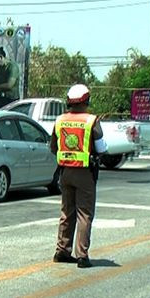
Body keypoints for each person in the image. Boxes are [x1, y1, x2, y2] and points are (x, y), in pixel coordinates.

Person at [49, 83, 107, 269]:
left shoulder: (60, 120)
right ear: (87, 100)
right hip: (84, 173)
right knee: (84, 213)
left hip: (64, 172)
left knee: (67, 213)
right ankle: (81, 255)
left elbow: (53, 147)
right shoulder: (92, 121)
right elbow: (102, 149)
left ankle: (62, 251)